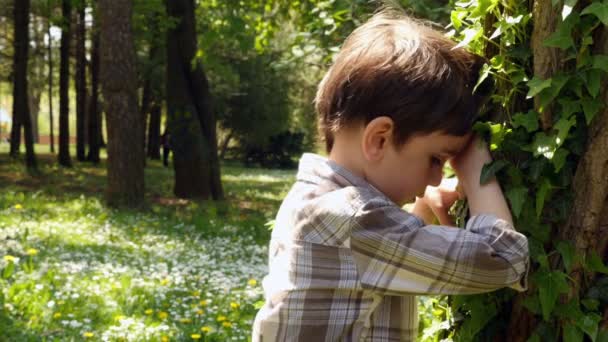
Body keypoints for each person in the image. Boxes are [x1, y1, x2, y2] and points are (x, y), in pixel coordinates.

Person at [252, 8, 529, 342]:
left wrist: (423, 209)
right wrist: (475, 168)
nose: (437, 178)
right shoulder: (353, 217)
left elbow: (369, 269)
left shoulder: (312, 199)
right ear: (380, 138)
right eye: (436, 158)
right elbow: (504, 260)